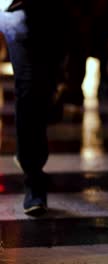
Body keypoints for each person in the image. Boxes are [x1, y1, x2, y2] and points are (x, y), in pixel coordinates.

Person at [0, 0, 66, 216]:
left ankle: (30, 159)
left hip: (52, 13)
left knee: (42, 88)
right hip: (15, 10)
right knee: (29, 89)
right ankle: (33, 177)